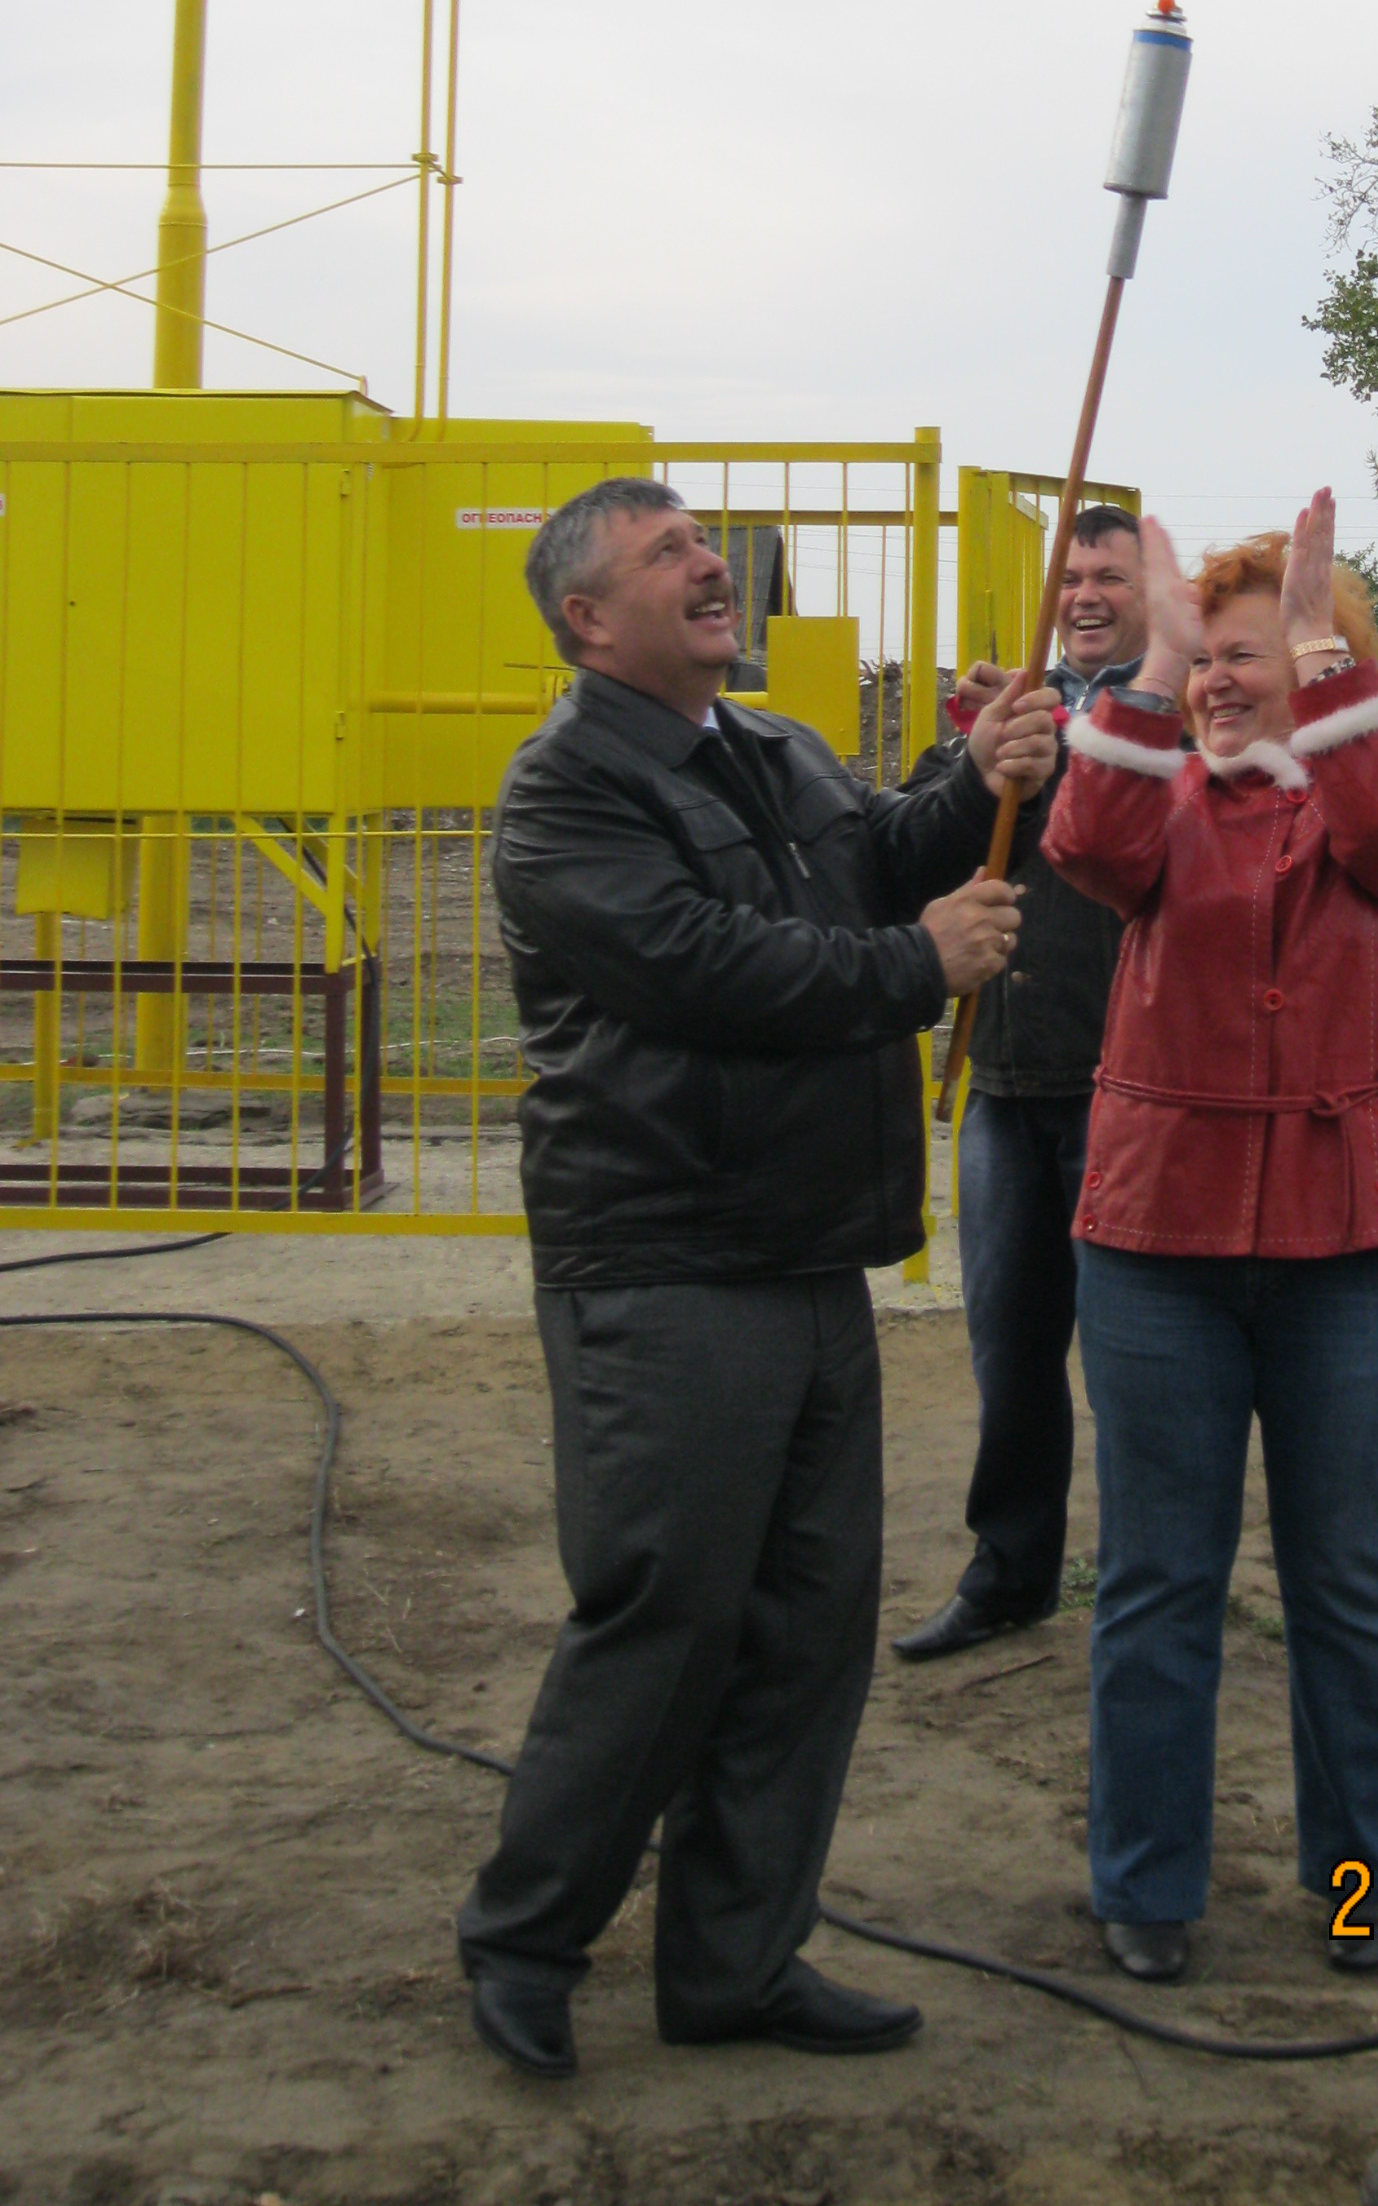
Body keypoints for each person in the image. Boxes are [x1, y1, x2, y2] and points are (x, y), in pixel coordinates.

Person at [453, 477, 1059, 2083]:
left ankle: (735, 1961)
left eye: (704, 544)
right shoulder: (564, 793)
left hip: (805, 1258)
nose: (712, 565)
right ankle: (526, 1940)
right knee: (665, 1619)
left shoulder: (774, 745)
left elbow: (877, 861)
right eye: (666, 556)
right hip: (661, 1262)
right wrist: (919, 966)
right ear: (587, 619)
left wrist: (979, 775)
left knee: (807, 1629)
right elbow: (712, 969)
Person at [1042, 488, 1378, 1983]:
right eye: (1205, 653)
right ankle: (1147, 1887)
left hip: (1356, 1251)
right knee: (1158, 1576)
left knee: (1353, 1580)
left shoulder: (1375, 800)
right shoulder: (1157, 797)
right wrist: (1148, 666)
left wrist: (1318, 647)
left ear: (1323, 665)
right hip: (1158, 1250)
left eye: (1246, 653)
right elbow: (1084, 842)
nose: (1222, 678)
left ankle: (1369, 1888)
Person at [893, 506, 1155, 1660]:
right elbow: (912, 839)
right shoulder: (1005, 714)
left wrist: (1093, 743)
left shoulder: (1183, 716)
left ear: (1155, 593)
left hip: (1134, 1095)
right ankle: (1009, 1576)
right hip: (1003, 1085)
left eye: (1110, 575)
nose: (1087, 595)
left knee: (1142, 1364)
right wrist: (972, 751)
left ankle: (1153, 1592)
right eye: (1072, 578)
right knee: (1010, 1353)